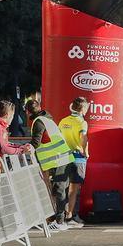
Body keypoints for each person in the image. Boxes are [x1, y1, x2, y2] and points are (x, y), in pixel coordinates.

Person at [25, 99, 72, 231]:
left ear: (27, 112)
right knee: (60, 190)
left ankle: (60, 222)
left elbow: (36, 142)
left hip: (58, 159)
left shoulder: (38, 121)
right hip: (62, 158)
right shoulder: (47, 118)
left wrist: (23, 148)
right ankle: (59, 220)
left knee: (59, 190)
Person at [56, 98, 90, 228]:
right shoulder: (82, 122)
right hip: (77, 157)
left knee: (62, 187)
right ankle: (71, 216)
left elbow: (58, 138)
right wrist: (85, 152)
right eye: (86, 108)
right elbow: (83, 137)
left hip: (63, 157)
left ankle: (61, 216)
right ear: (82, 109)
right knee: (74, 189)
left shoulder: (63, 121)